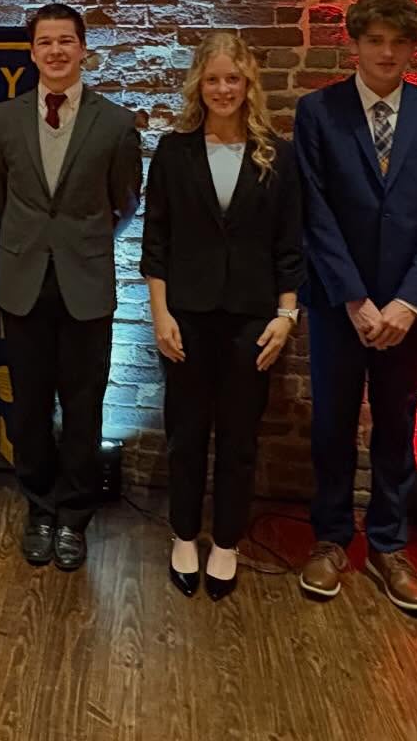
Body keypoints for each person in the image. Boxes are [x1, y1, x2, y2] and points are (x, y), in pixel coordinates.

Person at [293, 0, 417, 613]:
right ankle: (331, 537)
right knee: (332, 424)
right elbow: (314, 211)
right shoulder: (318, 112)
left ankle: (390, 545)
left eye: (399, 42)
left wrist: (408, 303)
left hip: (408, 313)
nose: (387, 53)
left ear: (414, 48)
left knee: (397, 426)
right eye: (375, 41)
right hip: (338, 305)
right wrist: (354, 298)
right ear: (355, 44)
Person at [142, 32, 302, 600]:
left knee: (238, 438)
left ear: (248, 83)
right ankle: (184, 534)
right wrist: (160, 314)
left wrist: (287, 315)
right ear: (198, 85)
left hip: (252, 319)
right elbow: (155, 240)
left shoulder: (278, 155)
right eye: (213, 79)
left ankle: (227, 542)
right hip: (186, 315)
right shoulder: (174, 151)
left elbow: (290, 244)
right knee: (185, 433)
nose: (223, 89)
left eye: (233, 78)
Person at [0, 3, 142, 571]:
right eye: (45, 42)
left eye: (65, 41)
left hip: (86, 284)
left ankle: (74, 515)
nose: (55, 51)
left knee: (83, 407)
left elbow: (125, 201)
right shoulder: (3, 120)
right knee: (27, 407)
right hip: (23, 282)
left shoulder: (115, 123)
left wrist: (80, 241)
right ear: (31, 52)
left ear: (82, 50)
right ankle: (40, 507)